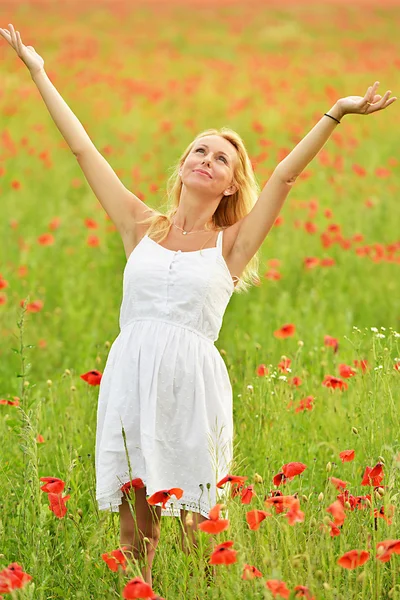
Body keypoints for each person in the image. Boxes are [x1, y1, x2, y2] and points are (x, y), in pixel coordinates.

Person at [1, 23, 396, 589]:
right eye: (199, 150)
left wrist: (335, 111)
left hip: (192, 387)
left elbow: (285, 176)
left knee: (195, 535)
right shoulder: (139, 225)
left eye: (221, 159)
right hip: (132, 380)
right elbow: (82, 148)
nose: (207, 160)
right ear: (184, 164)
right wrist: (39, 71)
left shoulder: (229, 246)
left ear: (233, 185)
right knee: (136, 536)